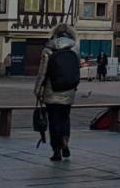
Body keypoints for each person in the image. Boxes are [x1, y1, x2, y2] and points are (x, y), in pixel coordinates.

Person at [34, 23, 81, 162]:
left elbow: (42, 72)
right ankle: (65, 140)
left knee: (54, 121)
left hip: (51, 89)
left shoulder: (48, 48)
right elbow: (75, 70)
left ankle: (56, 151)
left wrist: (37, 90)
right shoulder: (74, 48)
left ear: (55, 33)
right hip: (68, 90)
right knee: (65, 118)